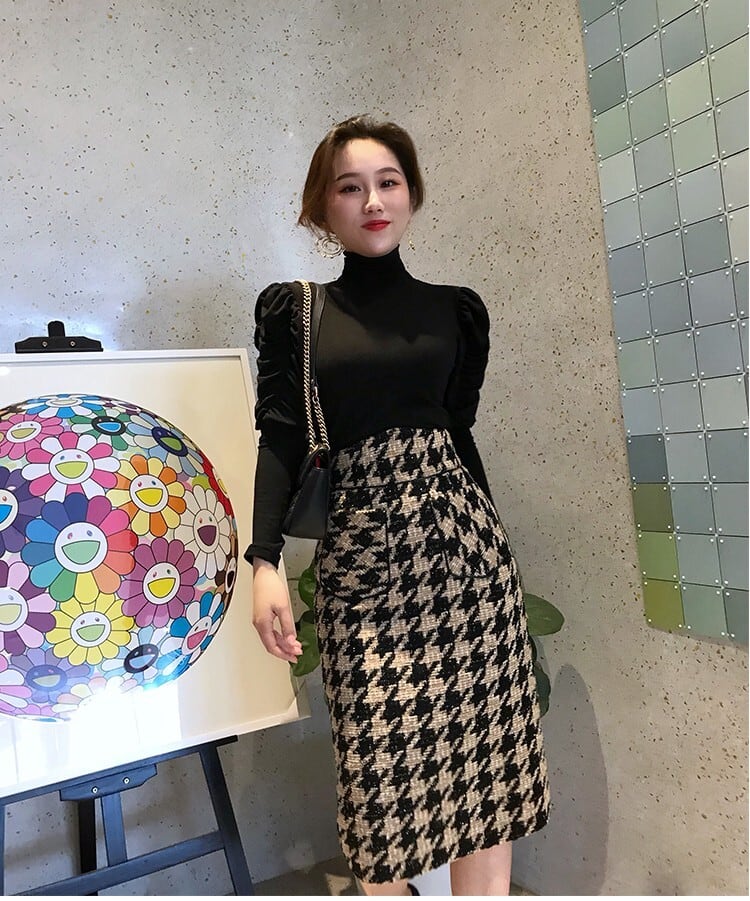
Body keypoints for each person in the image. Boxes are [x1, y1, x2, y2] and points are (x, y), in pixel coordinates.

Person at [245, 115, 550, 896]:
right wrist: (264, 560)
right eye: (351, 187)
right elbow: (281, 438)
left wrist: (497, 548)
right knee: (379, 788)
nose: (373, 201)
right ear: (323, 207)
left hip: (469, 559)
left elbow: (458, 433)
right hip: (364, 563)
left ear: (411, 194)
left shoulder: (457, 311)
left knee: (489, 778)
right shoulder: (297, 312)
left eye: (388, 182)